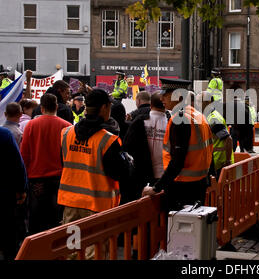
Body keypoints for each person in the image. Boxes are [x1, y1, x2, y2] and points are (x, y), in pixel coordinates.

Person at [141, 78, 213, 212]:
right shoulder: (198, 116)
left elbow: (177, 161)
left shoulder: (180, 120)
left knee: (179, 230)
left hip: (181, 188)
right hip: (199, 184)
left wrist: (156, 188)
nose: (161, 98)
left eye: (166, 95)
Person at [58, 89, 129, 222]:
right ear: (104, 107)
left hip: (71, 203)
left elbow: (63, 163)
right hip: (97, 206)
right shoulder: (108, 140)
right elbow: (119, 173)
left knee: (75, 243)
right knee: (98, 243)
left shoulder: (66, 133)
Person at [20, 93, 72, 235]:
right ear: (56, 106)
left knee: (36, 219)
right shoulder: (67, 127)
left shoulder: (31, 125)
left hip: (37, 180)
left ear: (41, 108)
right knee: (56, 218)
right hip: (59, 179)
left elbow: (24, 154)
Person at [122, 91, 167, 203]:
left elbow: (127, 145)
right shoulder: (170, 122)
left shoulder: (139, 121)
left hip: (140, 175)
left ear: (151, 105)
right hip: (164, 176)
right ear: (164, 105)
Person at [0, 127, 27, 260]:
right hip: (4, 194)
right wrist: (21, 189)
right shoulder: (4, 134)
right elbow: (17, 164)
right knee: (8, 236)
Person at [199, 91, 234, 178]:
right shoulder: (209, 116)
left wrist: (228, 161)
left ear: (207, 102)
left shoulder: (213, 119)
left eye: (199, 101)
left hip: (219, 163)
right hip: (214, 161)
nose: (197, 103)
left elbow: (228, 139)